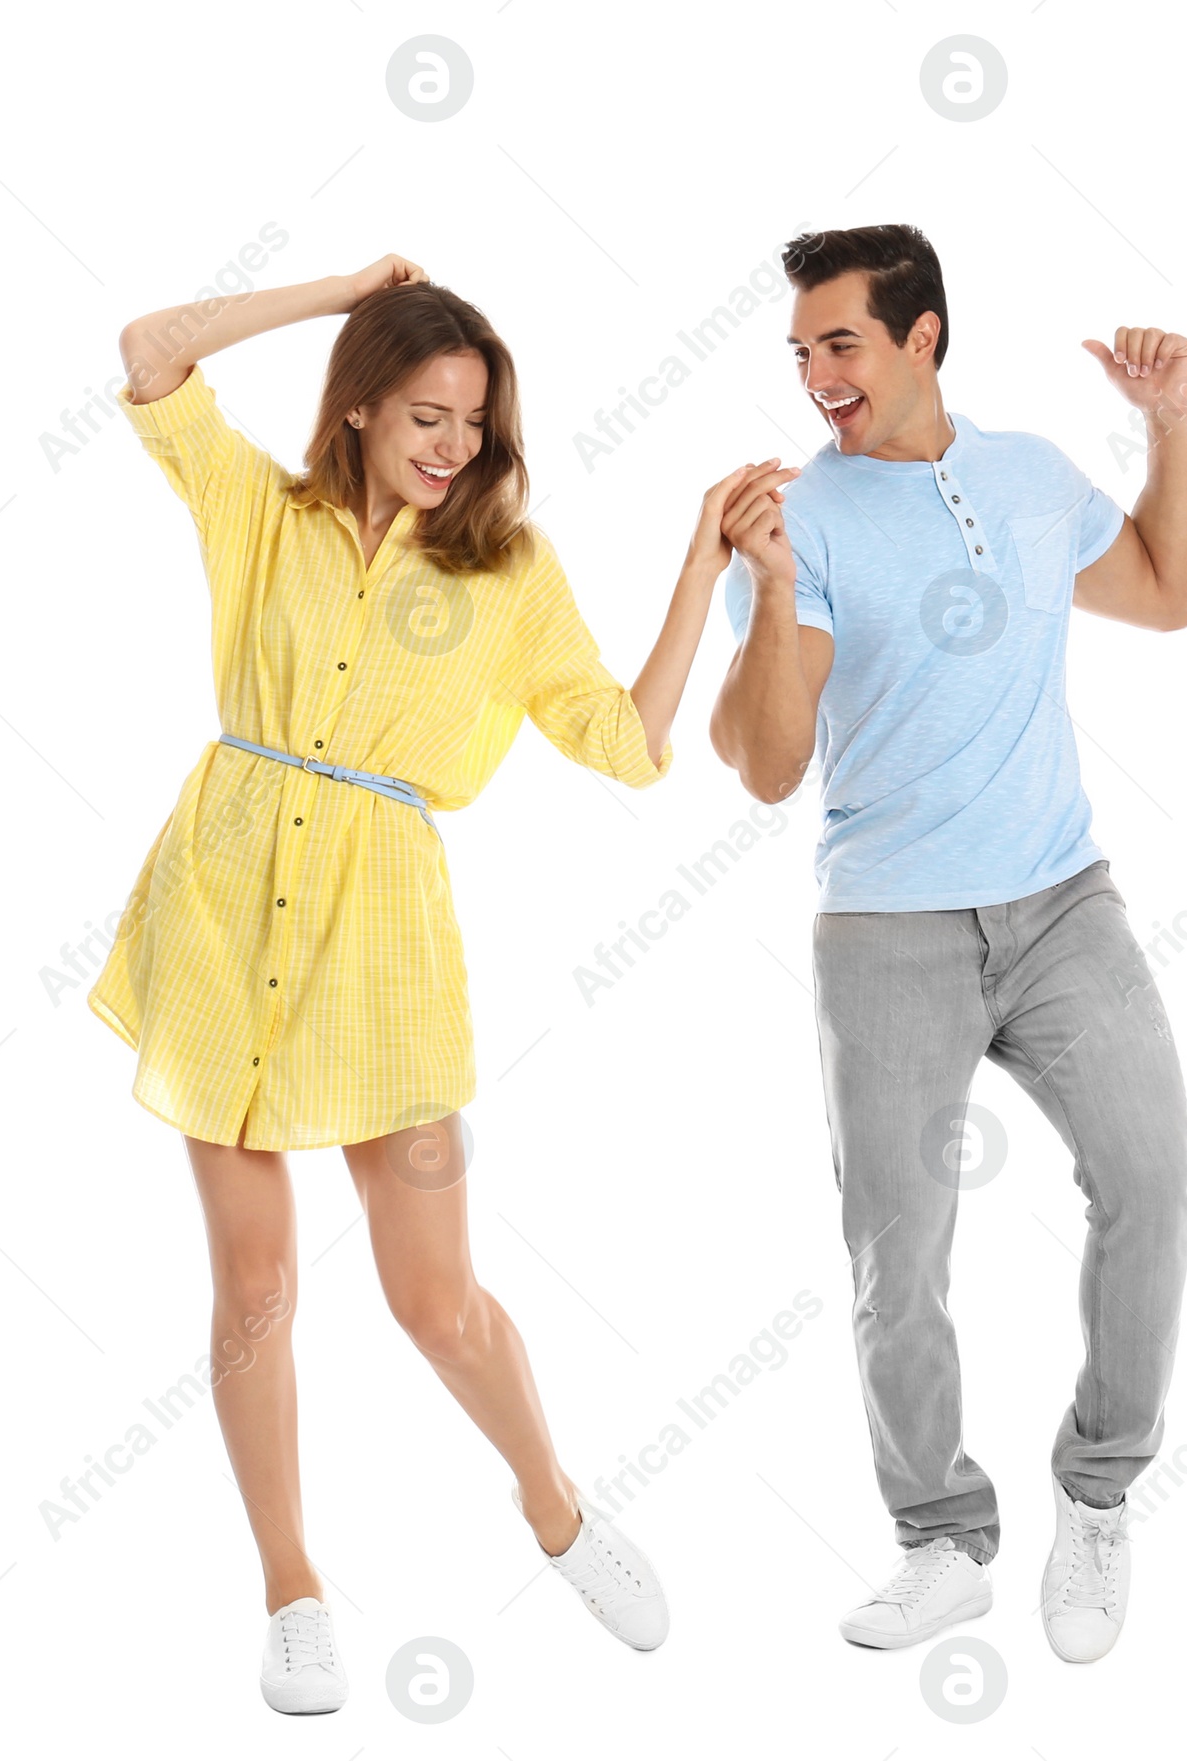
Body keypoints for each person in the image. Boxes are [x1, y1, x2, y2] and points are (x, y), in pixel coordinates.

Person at [89, 253, 781, 1713]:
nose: (453, 441)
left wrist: (698, 568)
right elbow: (152, 346)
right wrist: (342, 289)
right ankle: (292, 1588)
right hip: (220, 919)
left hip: (382, 951)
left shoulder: (506, 574)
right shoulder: (260, 513)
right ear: (356, 409)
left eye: (472, 419)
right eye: (422, 408)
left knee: (437, 1298)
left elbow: (633, 742)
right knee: (256, 1287)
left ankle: (557, 1508)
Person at [711, 223, 1187, 1664]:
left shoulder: (1035, 477)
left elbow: (1170, 595)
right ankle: (939, 1536)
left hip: (1063, 906)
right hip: (886, 931)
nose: (814, 376)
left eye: (840, 343)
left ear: (924, 336)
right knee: (897, 1257)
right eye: (800, 351)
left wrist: (1171, 427)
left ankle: (1096, 1488)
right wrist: (761, 586)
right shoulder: (799, 516)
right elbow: (760, 762)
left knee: (1153, 1181)